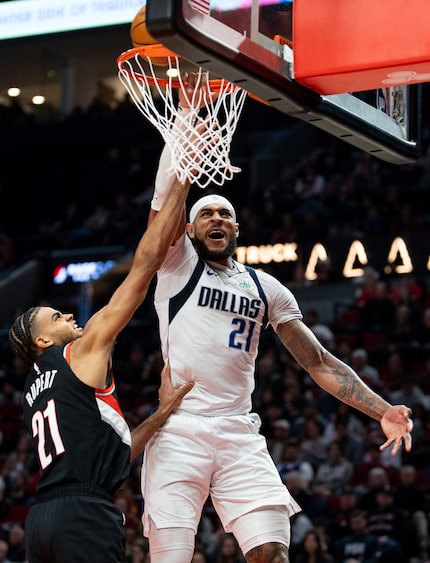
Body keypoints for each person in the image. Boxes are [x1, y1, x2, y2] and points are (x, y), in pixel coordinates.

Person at [141, 75, 414, 563]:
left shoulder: (268, 288)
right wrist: (186, 126)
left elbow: (319, 362)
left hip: (238, 431)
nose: (217, 220)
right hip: (179, 429)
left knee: (272, 551)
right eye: (206, 215)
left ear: (238, 227)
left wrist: (382, 411)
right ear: (190, 229)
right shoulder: (177, 265)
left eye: (225, 213)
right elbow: (164, 204)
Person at [7, 174, 194, 563]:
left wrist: (162, 412)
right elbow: (143, 270)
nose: (69, 315)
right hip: (83, 515)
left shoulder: (31, 390)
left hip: (42, 520)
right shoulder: (80, 352)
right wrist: (181, 184)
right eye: (57, 317)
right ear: (42, 341)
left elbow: (111, 454)